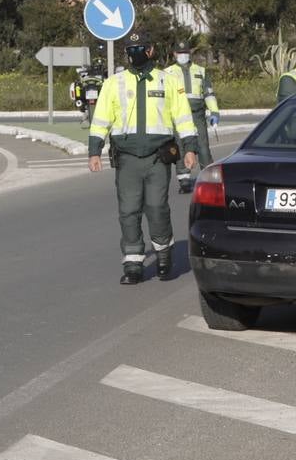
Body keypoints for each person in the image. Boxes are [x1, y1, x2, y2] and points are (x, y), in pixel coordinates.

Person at [88, 31, 198, 285]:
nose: (135, 53)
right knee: (128, 210)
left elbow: (183, 116)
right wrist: (95, 150)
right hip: (127, 158)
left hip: (157, 157)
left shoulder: (167, 81)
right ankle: (133, 262)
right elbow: (101, 118)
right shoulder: (114, 83)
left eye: (140, 48)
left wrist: (190, 148)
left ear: (150, 51)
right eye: (130, 49)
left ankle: (163, 253)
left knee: (157, 207)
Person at [166, 42, 220, 195]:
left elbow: (208, 94)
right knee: (181, 148)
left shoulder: (200, 71)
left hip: (197, 115)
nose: (183, 55)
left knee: (203, 147)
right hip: (177, 116)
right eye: (180, 52)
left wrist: (214, 112)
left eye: (185, 52)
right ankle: (184, 181)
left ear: (189, 53)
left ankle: (209, 180)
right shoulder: (167, 72)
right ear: (174, 54)